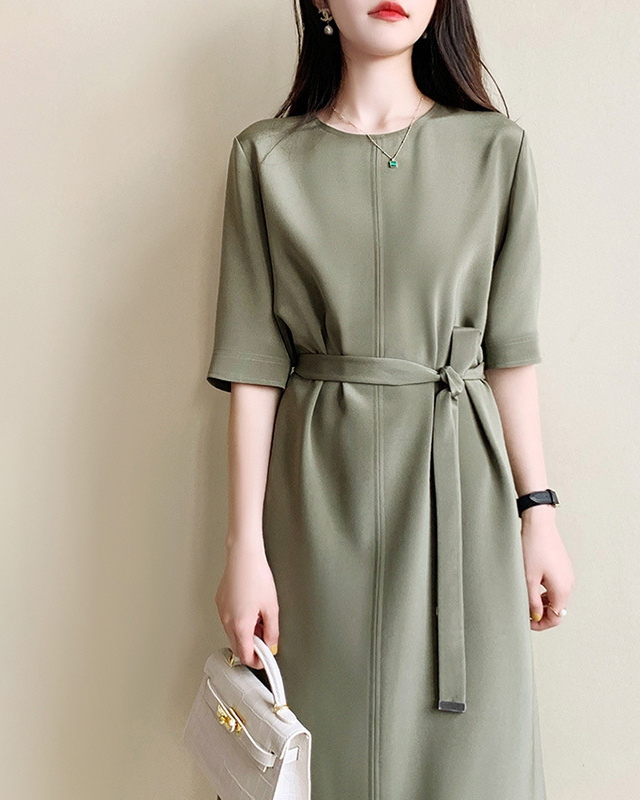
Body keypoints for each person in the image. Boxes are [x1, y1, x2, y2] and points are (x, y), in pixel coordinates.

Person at [206, 1, 575, 797]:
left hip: (461, 500)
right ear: (319, 3)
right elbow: (252, 368)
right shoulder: (264, 158)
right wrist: (244, 549)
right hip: (318, 505)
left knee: (475, 765)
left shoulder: (497, 151)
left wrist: (538, 513)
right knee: (319, 758)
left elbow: (510, 353)